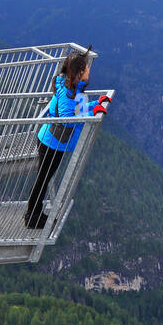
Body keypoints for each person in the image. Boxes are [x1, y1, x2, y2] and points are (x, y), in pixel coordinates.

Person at [24, 47, 110, 229]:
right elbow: (67, 119)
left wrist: (95, 105)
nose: (89, 71)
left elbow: (75, 109)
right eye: (87, 68)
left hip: (50, 139)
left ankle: (36, 213)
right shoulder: (70, 94)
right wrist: (88, 113)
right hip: (52, 143)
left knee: (44, 178)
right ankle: (32, 217)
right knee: (42, 179)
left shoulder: (69, 87)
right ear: (80, 72)